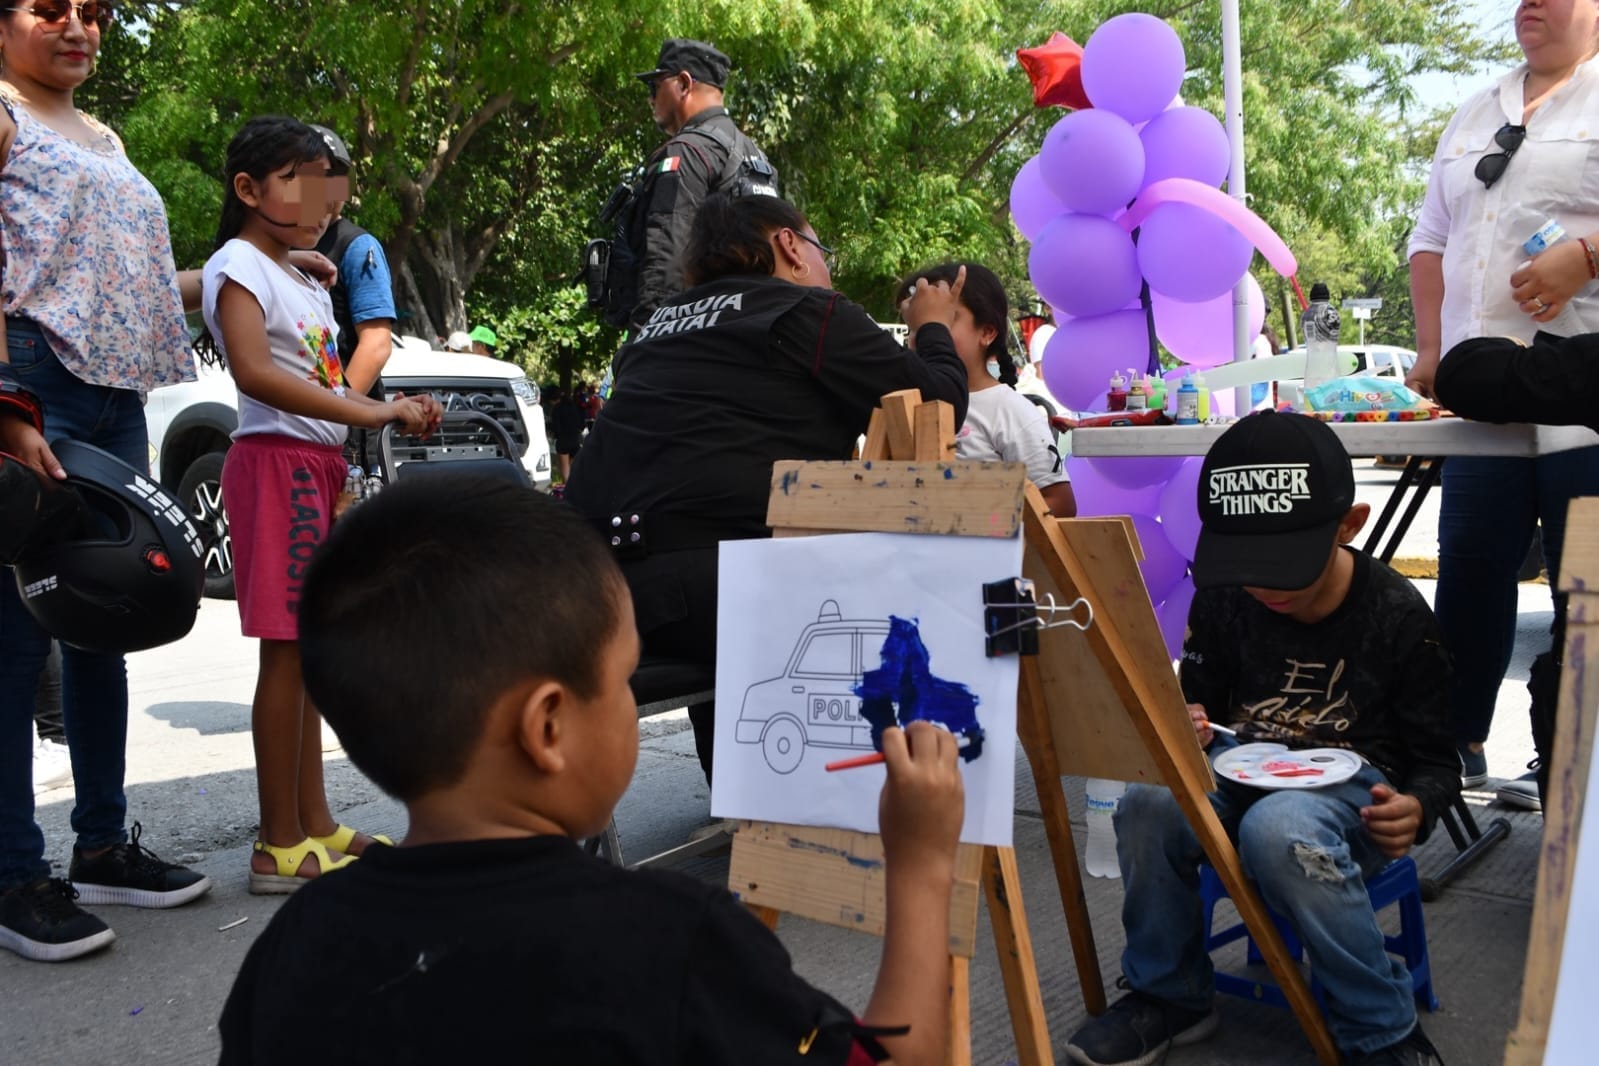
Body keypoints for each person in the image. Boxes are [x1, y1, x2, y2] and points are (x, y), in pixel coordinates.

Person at [218, 476, 966, 1066]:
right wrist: (922, 863)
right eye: (622, 680)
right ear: (547, 727)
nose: (629, 701)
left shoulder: (294, 945)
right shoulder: (671, 942)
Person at [1063, 411, 1458, 1066]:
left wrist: (1416, 807)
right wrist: (1183, 725)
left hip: (1348, 790)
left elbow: (1436, 759)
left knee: (1278, 830)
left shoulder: (1395, 614)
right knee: (1147, 804)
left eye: (1283, 564)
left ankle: (1379, 1029)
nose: (1262, 584)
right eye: (1245, 562)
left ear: (1348, 524)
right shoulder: (1225, 597)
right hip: (1240, 761)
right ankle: (1168, 996)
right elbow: (1200, 707)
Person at [565, 193, 968, 782]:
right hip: (726, 596)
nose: (825, 266)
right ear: (789, 246)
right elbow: (939, 405)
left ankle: (742, 797)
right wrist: (932, 326)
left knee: (734, 556)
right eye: (819, 248)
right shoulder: (808, 311)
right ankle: (851, 806)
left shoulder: (652, 329)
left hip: (598, 594)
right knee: (930, 606)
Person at [0, 0, 214, 963]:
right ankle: (11, 873)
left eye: (94, 11)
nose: (78, 26)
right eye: (52, 8)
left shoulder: (100, 131)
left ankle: (102, 845)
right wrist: (2, 404)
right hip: (30, 387)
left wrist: (240, 272)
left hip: (113, 397)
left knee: (102, 623)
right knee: (12, 640)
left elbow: (113, 280)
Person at [196, 115, 439, 894]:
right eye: (303, 184)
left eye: (331, 191)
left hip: (312, 464)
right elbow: (254, 374)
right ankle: (277, 842)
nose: (324, 203)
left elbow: (310, 359)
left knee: (308, 651)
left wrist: (297, 259)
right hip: (275, 463)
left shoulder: (292, 270)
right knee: (287, 651)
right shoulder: (239, 264)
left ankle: (314, 824)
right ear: (248, 189)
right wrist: (369, 411)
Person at [1404, 0, 1599, 812]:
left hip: (1580, 398)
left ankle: (1565, 759)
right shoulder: (1474, 107)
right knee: (1471, 573)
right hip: (1481, 403)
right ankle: (1452, 752)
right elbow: (1429, 237)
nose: (1530, 4)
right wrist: (1426, 350)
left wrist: (1584, 258)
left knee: (1580, 591)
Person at [603, 38, 779, 335]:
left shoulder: (686, 151)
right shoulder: (758, 160)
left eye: (655, 86)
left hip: (691, 341)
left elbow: (666, 259)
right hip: (752, 333)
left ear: (684, 83)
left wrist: (647, 340)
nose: (650, 99)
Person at [899, 262, 1074, 517]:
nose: (921, 334)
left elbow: (1060, 503)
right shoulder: (902, 404)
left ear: (987, 333)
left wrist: (980, 517)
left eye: (941, 320)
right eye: (914, 325)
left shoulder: (1010, 411)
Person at [306, 124, 393, 396]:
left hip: (342, 425)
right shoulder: (282, 246)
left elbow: (376, 343)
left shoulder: (357, 246)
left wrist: (337, 413)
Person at [547, 383, 585, 481]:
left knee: (566, 474)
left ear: (552, 399)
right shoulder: (572, 405)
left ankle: (567, 492)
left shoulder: (556, 409)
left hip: (563, 442)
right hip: (576, 440)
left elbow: (556, 428)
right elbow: (581, 422)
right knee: (574, 472)